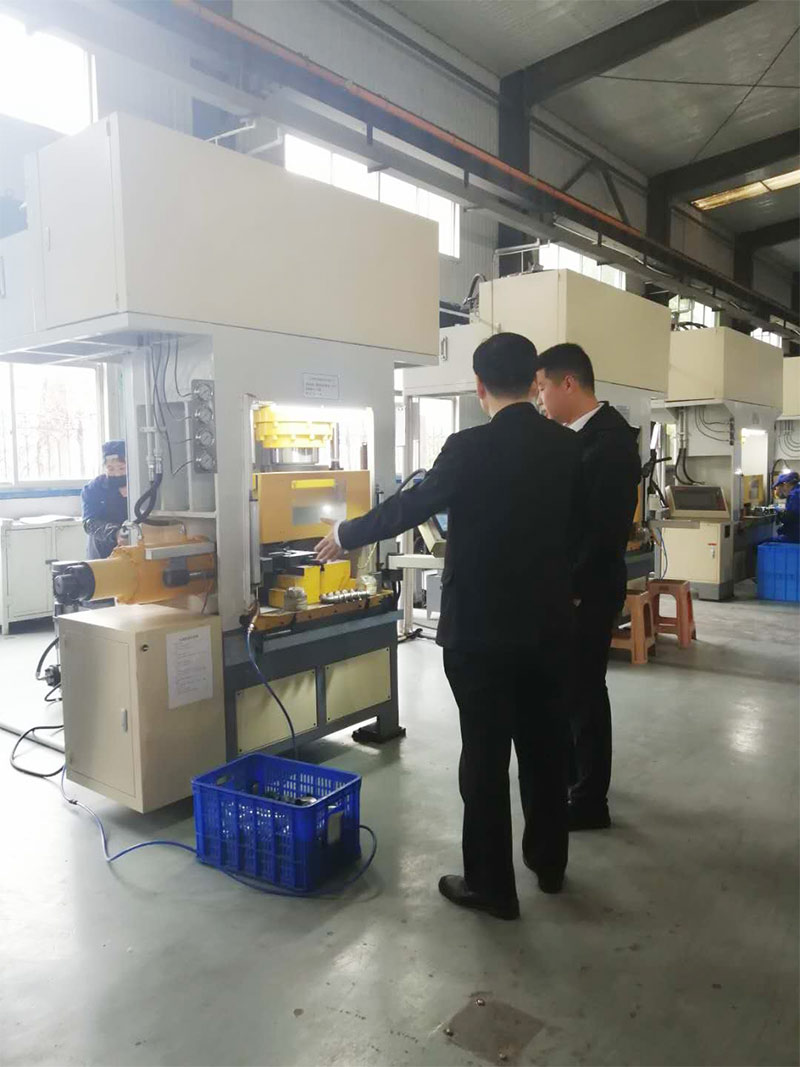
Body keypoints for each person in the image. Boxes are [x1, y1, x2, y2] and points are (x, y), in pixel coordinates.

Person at [315, 333, 582, 921]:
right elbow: (584, 530)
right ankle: (549, 865)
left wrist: (346, 533)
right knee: (544, 749)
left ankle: (492, 886)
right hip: (548, 629)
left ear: (479, 386)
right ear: (534, 382)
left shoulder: (467, 448)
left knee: (484, 759)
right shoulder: (567, 447)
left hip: (480, 634)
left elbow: (409, 507)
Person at [535, 343, 641, 832]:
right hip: (570, 587)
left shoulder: (610, 443)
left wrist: (573, 587)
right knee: (567, 689)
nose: (540, 399)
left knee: (583, 691)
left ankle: (589, 800)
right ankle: (574, 778)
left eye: (542, 389)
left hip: (588, 590)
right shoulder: (575, 437)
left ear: (568, 384)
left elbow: (603, 530)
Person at [81, 441, 128, 559]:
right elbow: (89, 523)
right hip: (102, 552)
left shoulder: (141, 487)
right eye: (111, 469)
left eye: (122, 468)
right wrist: (115, 533)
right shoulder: (94, 488)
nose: (117, 474)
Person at [773, 470, 800, 543]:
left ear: (785, 484)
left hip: (796, 537)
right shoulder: (797, 492)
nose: (777, 491)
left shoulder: (794, 495)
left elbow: (791, 518)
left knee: (762, 543)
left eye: (777, 487)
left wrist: (779, 514)